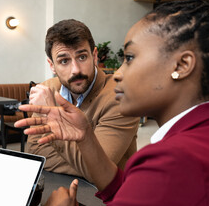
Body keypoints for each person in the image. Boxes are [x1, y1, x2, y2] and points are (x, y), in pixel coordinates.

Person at [15, 0, 209, 206]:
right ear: (52, 65)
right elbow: (126, 190)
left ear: (182, 65)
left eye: (129, 58)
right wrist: (86, 137)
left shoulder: (171, 161)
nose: (117, 74)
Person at [26, 19, 139, 179]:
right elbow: (34, 152)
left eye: (82, 57)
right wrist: (85, 162)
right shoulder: (48, 90)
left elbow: (99, 170)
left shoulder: (119, 95)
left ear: (94, 56)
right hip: (59, 187)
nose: (76, 70)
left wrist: (53, 119)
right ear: (52, 65)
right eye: (64, 61)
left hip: (108, 198)